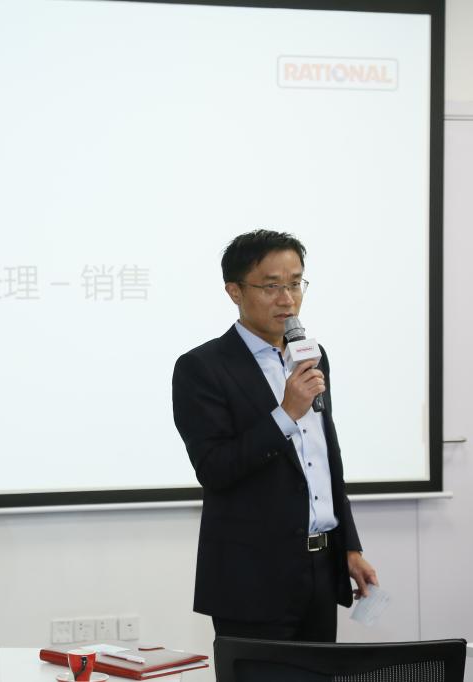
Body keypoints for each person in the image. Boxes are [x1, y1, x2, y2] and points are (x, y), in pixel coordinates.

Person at [172, 229, 378, 642]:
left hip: (322, 571)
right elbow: (215, 469)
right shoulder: (203, 367)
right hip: (252, 581)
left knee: (321, 673)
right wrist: (285, 414)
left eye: (295, 283)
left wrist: (349, 547)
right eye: (271, 287)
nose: (287, 299)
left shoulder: (311, 356)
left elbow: (324, 460)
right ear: (234, 291)